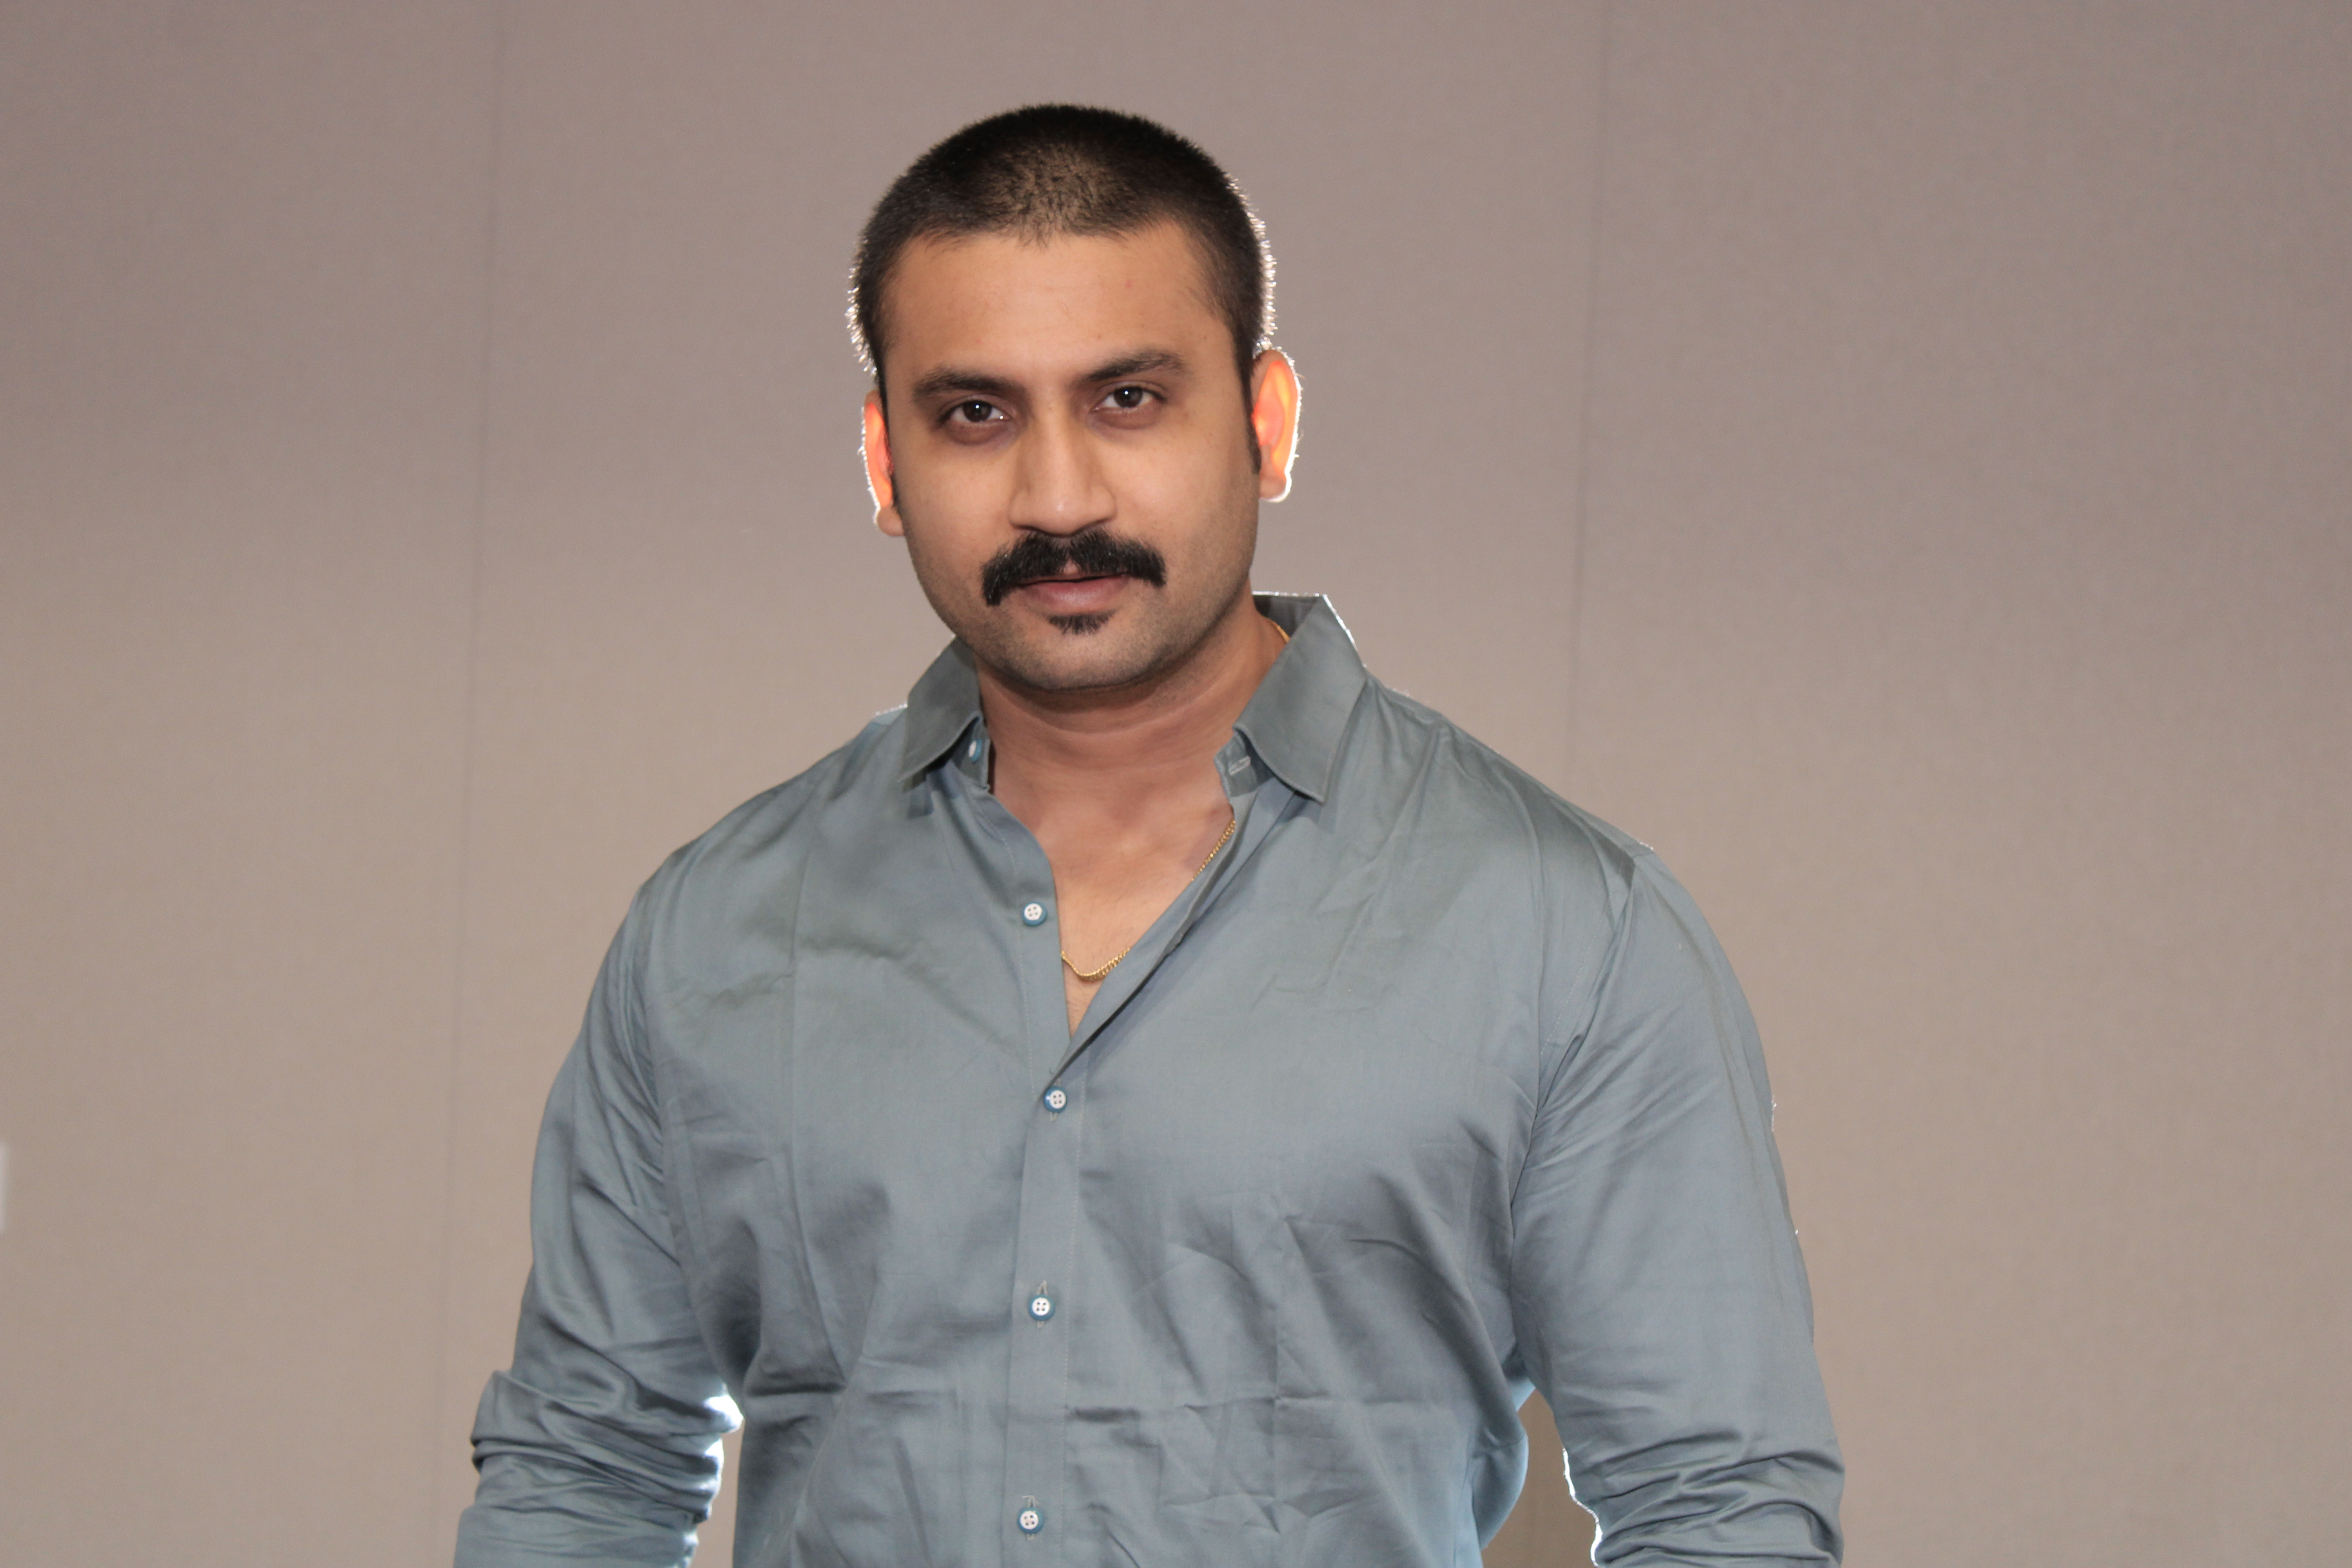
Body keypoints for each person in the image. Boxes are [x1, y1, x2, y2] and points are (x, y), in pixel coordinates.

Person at [456, 104, 1842, 1567]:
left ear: (1267, 422)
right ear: (882, 461)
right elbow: (582, 1476)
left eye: (1128, 399)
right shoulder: (717, 932)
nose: (1059, 498)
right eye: (975, 414)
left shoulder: (1568, 935)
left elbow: (1720, 1514)